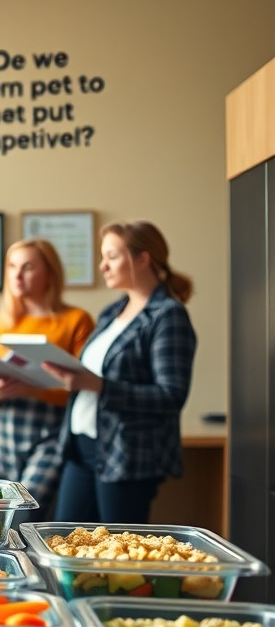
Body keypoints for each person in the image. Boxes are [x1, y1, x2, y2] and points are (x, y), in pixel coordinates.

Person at [43, 221, 196, 525]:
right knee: (63, 547)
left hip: (127, 457)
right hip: (81, 447)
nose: (103, 266)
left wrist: (99, 385)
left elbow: (170, 396)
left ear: (143, 258)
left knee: (117, 558)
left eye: (111, 256)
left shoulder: (168, 316)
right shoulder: (112, 312)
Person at [0, 240, 94, 517]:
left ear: (50, 274)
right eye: (13, 266)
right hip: (7, 431)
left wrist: (33, 388)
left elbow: (84, 390)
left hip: (52, 431)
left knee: (23, 511)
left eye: (28, 267)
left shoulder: (76, 320)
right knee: (4, 513)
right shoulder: (0, 323)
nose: (17, 275)